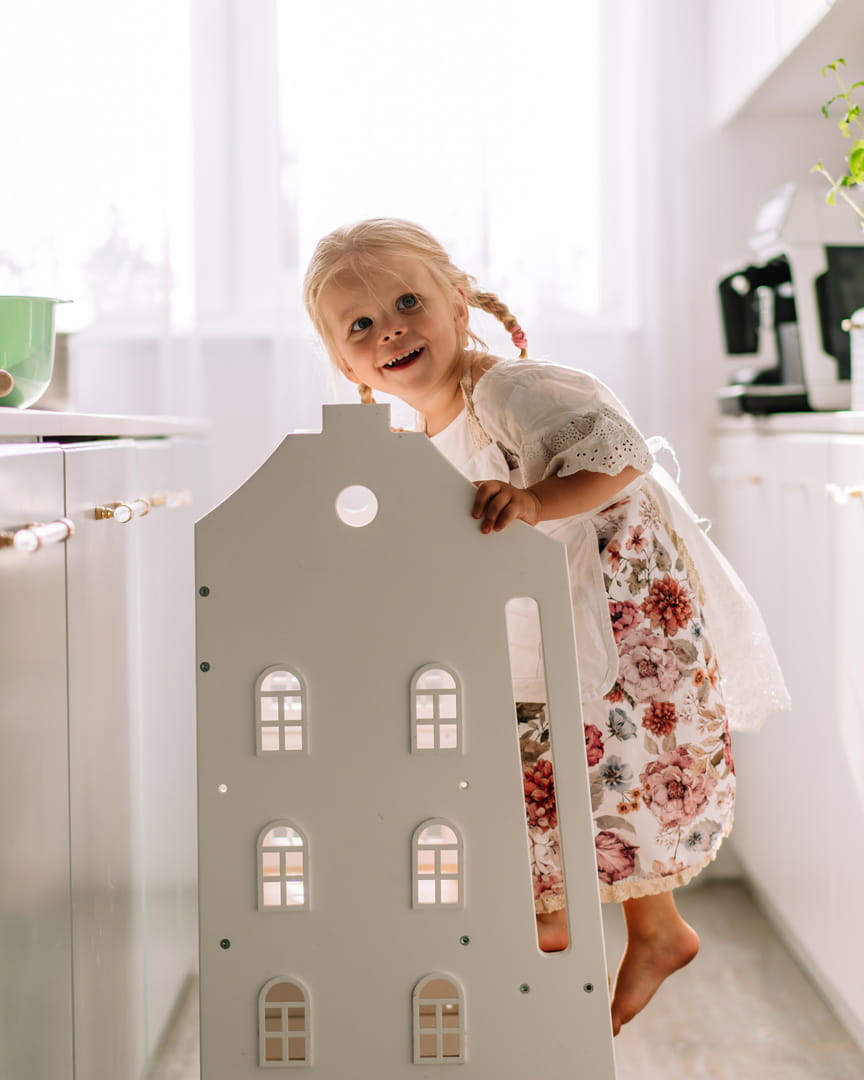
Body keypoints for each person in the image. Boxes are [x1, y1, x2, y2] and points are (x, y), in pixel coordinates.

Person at [302, 218, 789, 1036]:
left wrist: (535, 499)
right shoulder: (418, 435)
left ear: (459, 304)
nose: (389, 329)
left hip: (622, 603)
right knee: (544, 765)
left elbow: (620, 453)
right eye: (360, 325)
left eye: (408, 302)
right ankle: (599, 928)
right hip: (545, 609)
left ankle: (618, 930)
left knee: (609, 758)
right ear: (346, 364)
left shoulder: (508, 390)